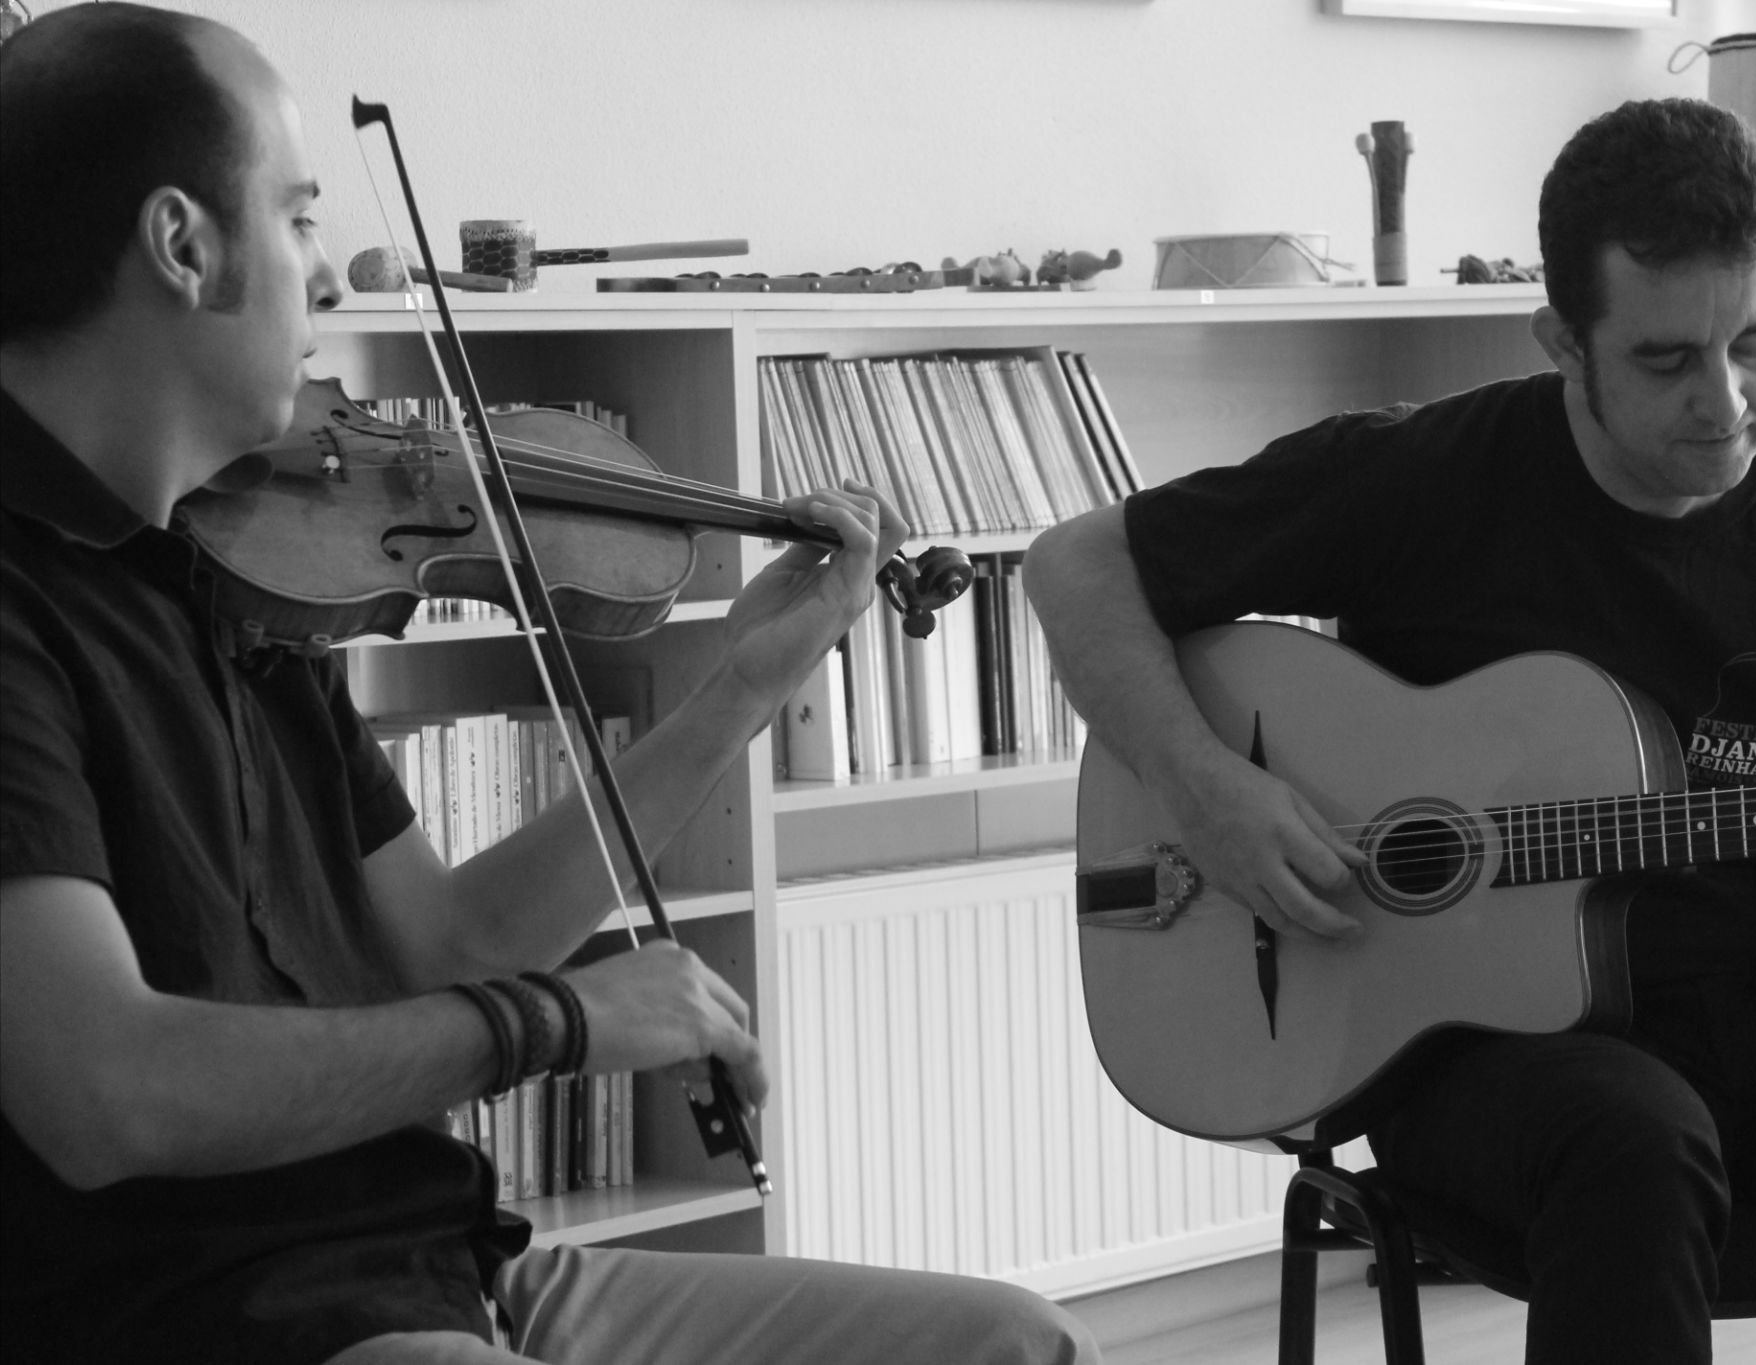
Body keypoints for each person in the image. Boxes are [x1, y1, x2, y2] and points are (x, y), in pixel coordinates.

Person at [0, 7, 1099, 1364]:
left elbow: (448, 943)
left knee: (1015, 1345)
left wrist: (739, 689)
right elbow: (106, 1094)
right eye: (296, 218)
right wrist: (557, 1021)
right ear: (182, 245)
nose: (327, 277)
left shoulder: (235, 579)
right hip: (215, 1317)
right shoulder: (22, 607)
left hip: (442, 1268)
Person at [1026, 97, 1756, 1363]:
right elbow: (1074, 566)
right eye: (1665, 360)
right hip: (1480, 1055)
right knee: (1633, 1142)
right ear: (1563, 340)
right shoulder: (1423, 477)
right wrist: (1203, 789)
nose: (1726, 402)